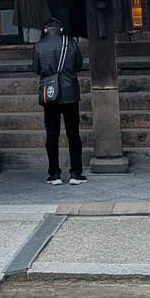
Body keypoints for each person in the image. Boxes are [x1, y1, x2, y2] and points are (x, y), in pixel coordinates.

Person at [32, 18, 86, 185]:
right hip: (70, 93)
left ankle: (54, 173)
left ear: (45, 30)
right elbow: (79, 65)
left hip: (50, 93)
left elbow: (36, 69)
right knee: (73, 133)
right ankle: (76, 173)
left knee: (52, 134)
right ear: (61, 29)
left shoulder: (39, 46)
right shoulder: (71, 43)